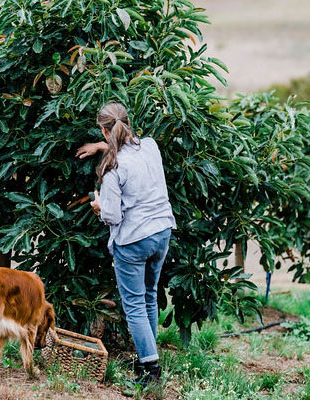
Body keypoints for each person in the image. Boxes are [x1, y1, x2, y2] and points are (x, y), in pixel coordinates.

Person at [76, 102, 176, 386]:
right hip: (162, 231)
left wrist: (97, 206)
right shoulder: (151, 146)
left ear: (104, 129)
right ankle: (149, 355)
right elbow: (126, 145)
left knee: (133, 305)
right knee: (148, 296)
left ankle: (150, 372)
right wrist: (102, 144)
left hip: (133, 240)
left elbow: (111, 215)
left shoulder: (113, 169)